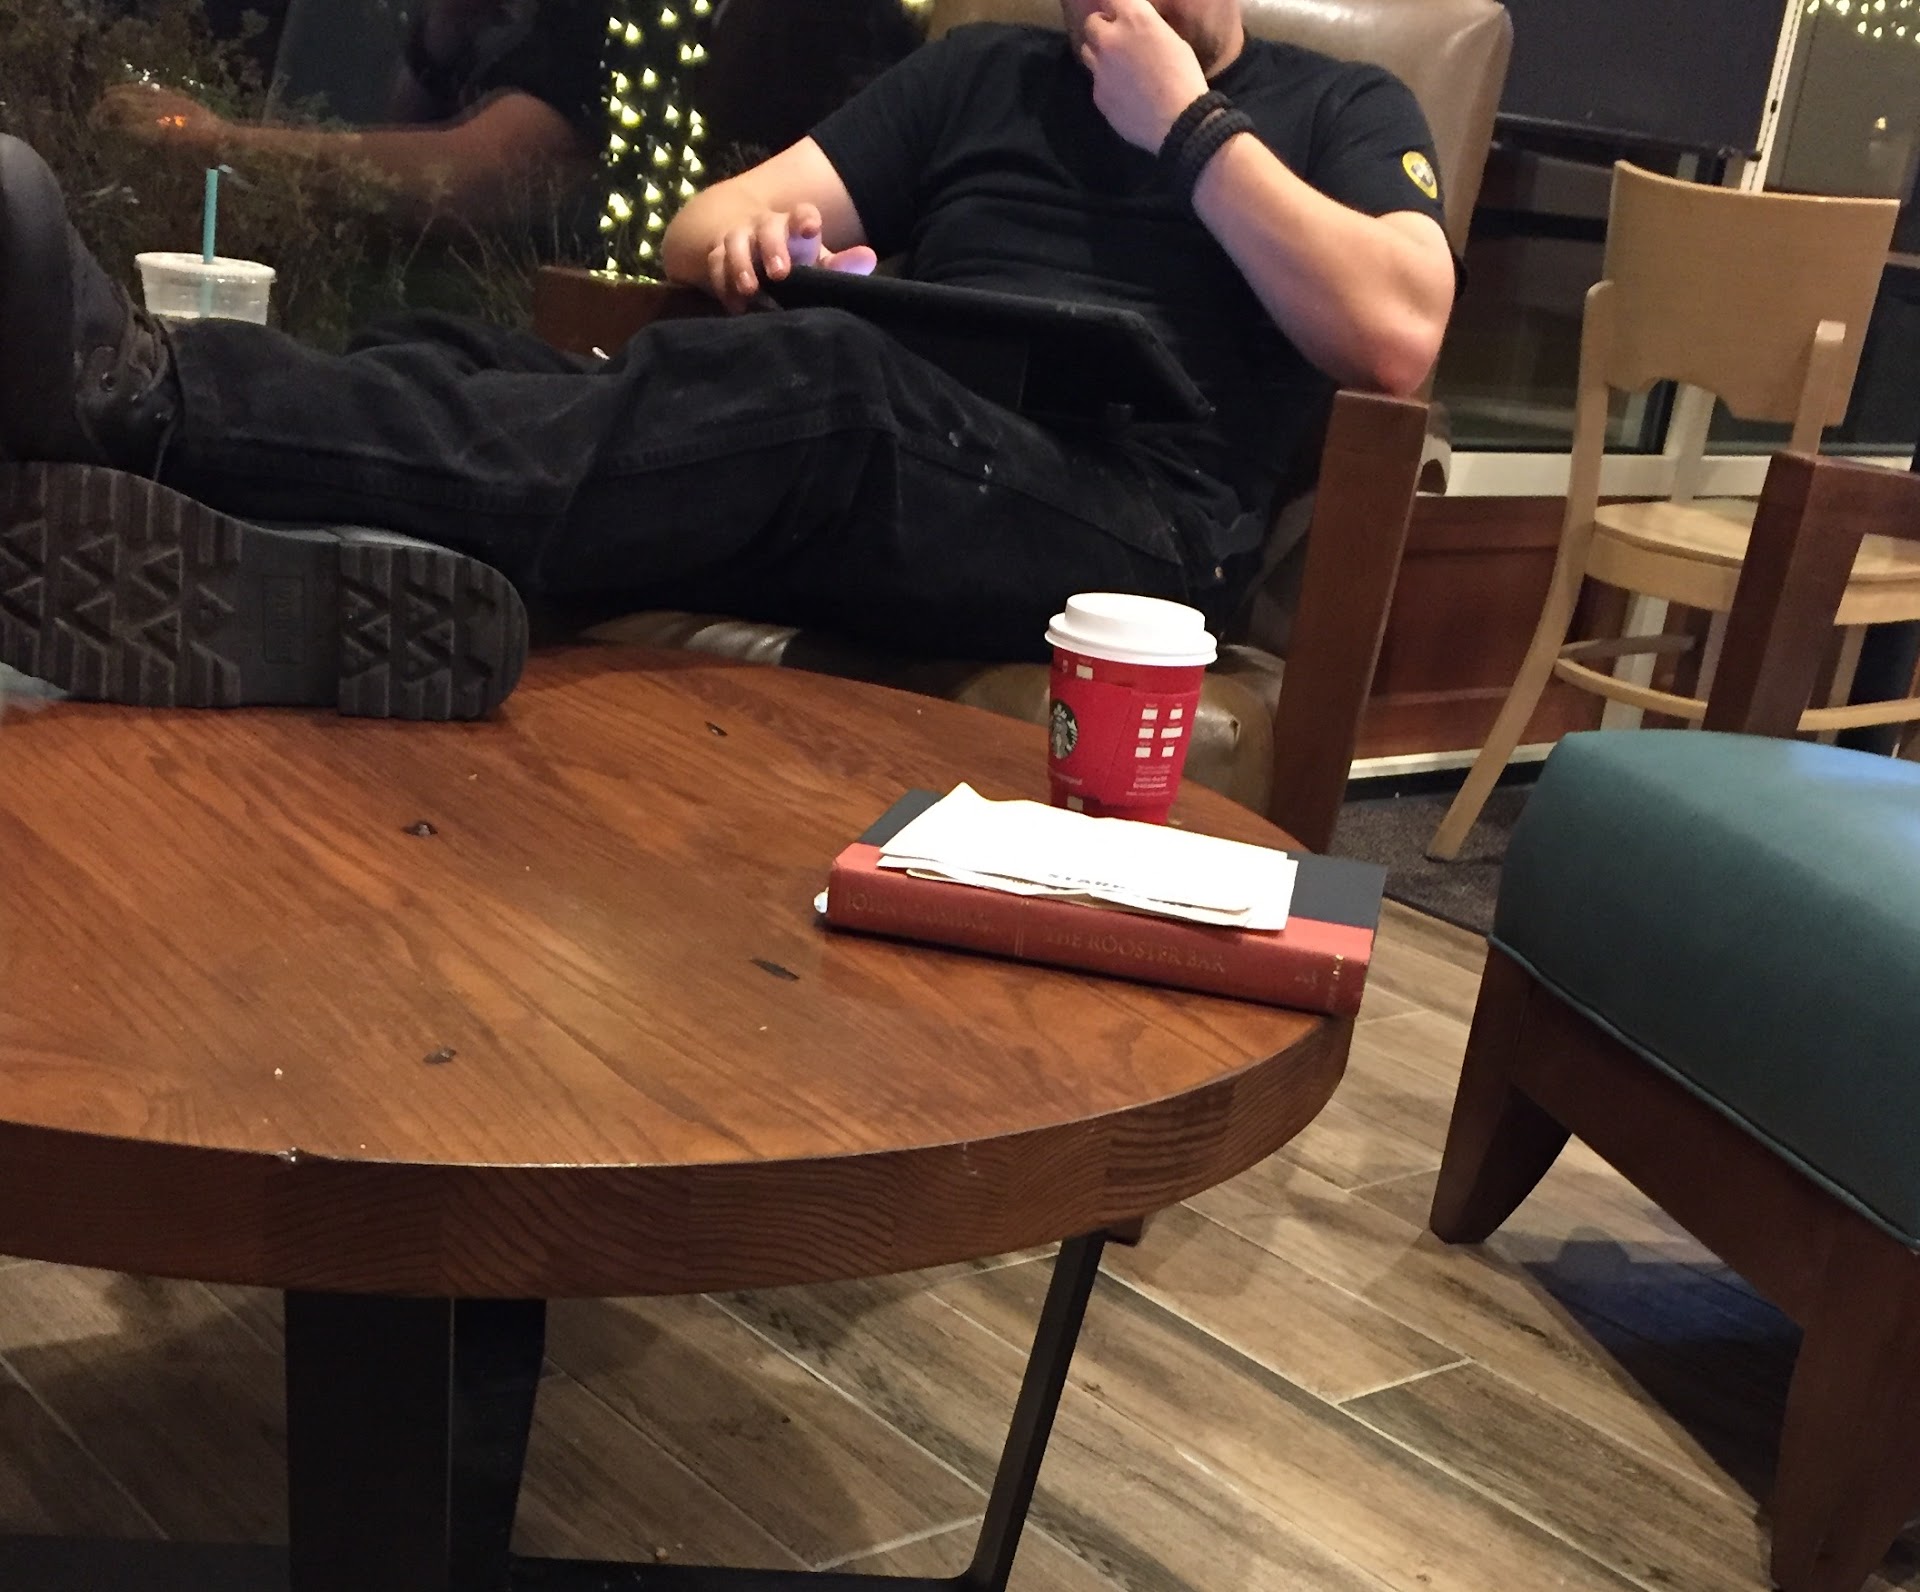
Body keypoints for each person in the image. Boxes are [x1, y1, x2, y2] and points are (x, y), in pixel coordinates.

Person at [0, 0, 1456, 721]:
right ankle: (252, 539)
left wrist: (1186, 125)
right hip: (916, 448)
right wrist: (756, 241)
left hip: (1131, 524)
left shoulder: (1335, 105)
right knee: (476, 355)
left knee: (831, 390)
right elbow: (706, 223)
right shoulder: (984, 74)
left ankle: (146, 399)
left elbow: (1395, 332)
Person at [94, 0, 606, 223]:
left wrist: (218, 140)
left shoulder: (596, 23)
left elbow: (479, 175)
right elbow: (402, 134)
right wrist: (444, 35)